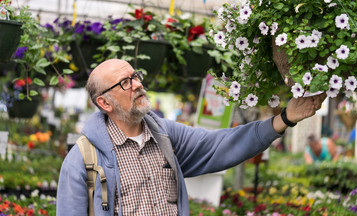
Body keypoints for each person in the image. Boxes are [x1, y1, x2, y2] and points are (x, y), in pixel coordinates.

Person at [56, 59, 326, 216]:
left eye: (135, 76)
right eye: (125, 83)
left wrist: (285, 119)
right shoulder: (82, 160)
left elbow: (220, 145)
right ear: (104, 103)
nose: (137, 84)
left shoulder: (165, 135)